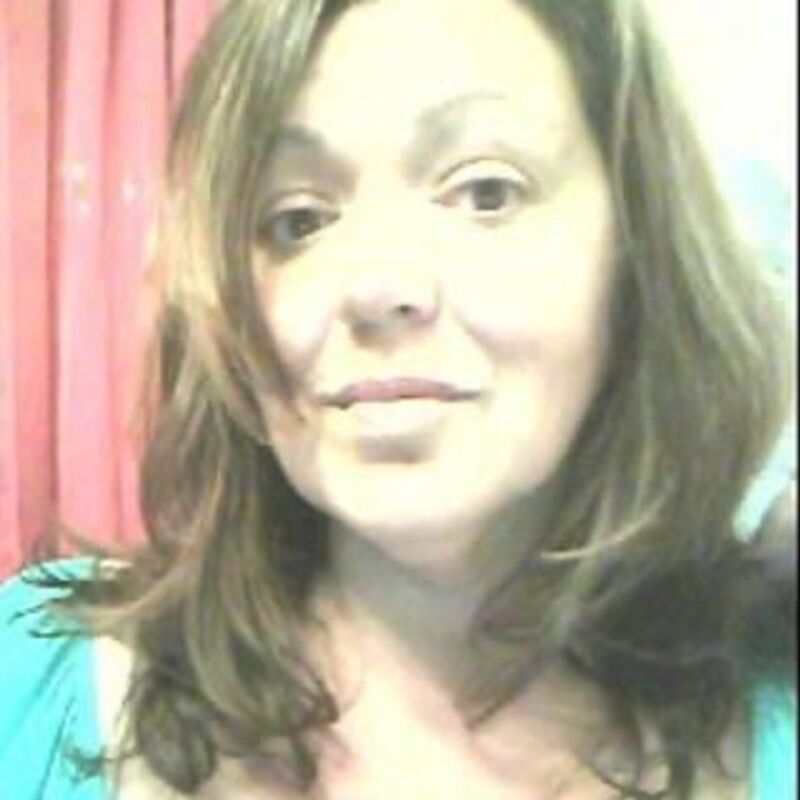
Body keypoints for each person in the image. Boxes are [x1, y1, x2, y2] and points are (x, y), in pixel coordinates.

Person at [0, 0, 796, 797]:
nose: (375, 285)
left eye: (486, 192)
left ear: (638, 250)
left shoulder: (775, 708)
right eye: (298, 220)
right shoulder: (37, 677)